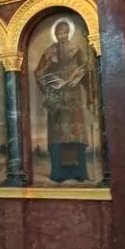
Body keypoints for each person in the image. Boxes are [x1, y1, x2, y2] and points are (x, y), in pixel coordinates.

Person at [34, 20, 91, 182]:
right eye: (60, 32)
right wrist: (51, 84)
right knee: (58, 134)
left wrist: (80, 77)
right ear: (56, 34)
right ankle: (58, 173)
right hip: (57, 98)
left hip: (74, 97)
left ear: (69, 33)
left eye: (65, 32)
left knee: (76, 133)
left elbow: (86, 70)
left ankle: (78, 172)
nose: (63, 35)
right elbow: (39, 73)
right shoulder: (49, 52)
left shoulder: (77, 49)